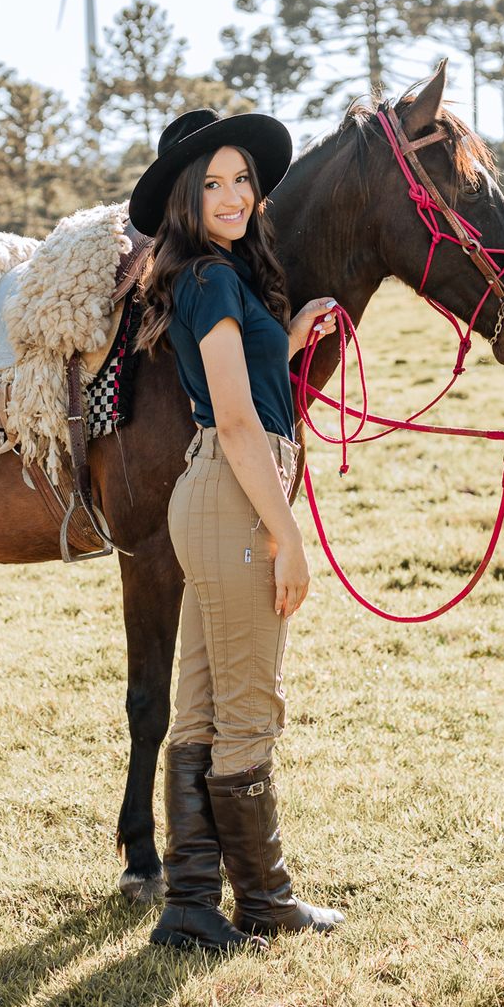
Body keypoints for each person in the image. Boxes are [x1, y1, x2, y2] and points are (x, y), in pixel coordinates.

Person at [130, 108, 344, 953]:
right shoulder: (214, 280)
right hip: (235, 490)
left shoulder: (214, 276)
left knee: (204, 706)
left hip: (214, 489)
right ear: (187, 198)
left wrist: (288, 340)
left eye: (241, 179)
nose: (231, 194)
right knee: (249, 707)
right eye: (211, 183)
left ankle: (190, 904)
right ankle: (265, 901)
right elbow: (237, 418)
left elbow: (245, 390)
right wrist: (287, 532)